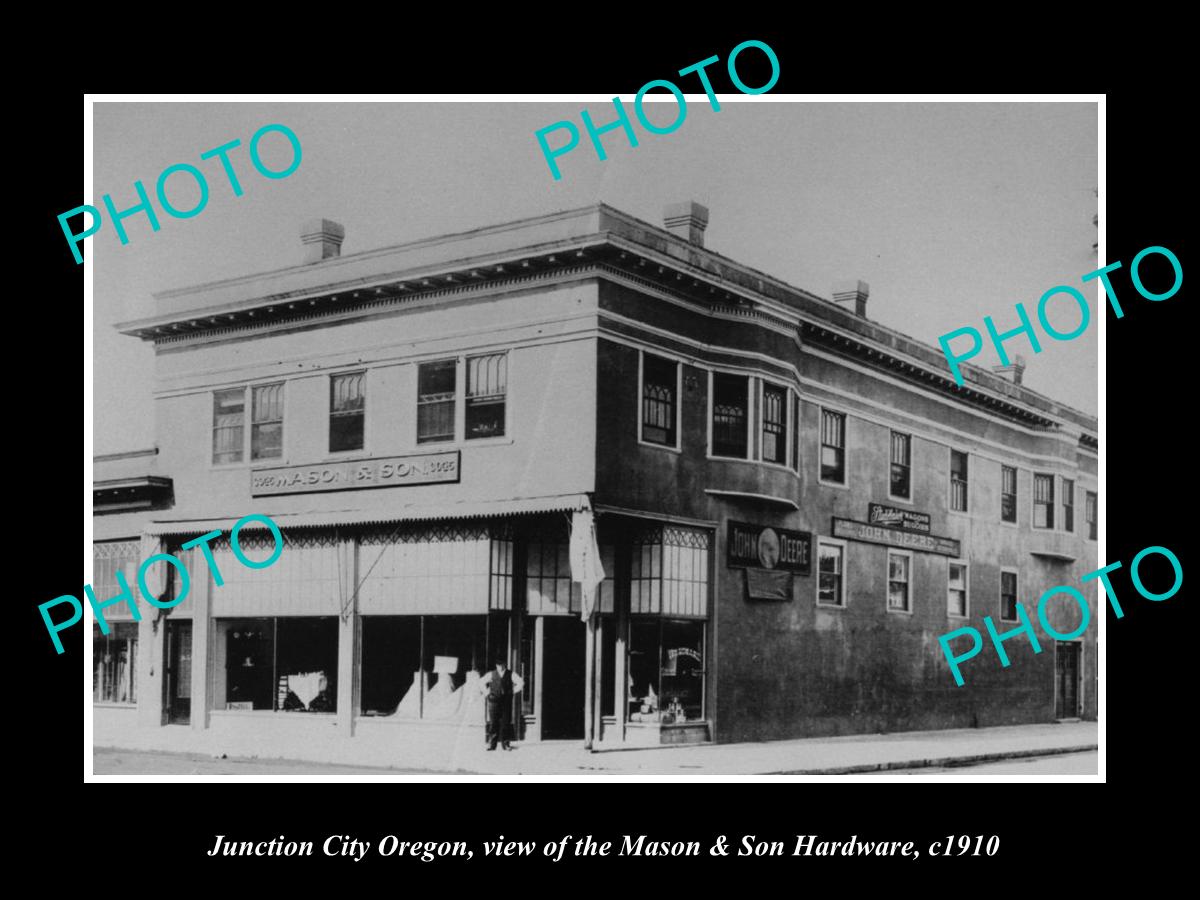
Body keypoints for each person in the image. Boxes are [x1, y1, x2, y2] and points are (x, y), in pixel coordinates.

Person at [479, 658, 524, 750]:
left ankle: (506, 744)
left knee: (505, 723)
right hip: (493, 701)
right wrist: (487, 693)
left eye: (502, 664)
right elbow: (481, 682)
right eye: (498, 665)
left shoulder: (511, 674)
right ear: (496, 665)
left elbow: (521, 682)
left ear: (505, 664)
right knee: (493, 723)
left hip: (506, 701)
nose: (500, 667)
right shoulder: (491, 674)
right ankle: (492, 744)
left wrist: (512, 691)